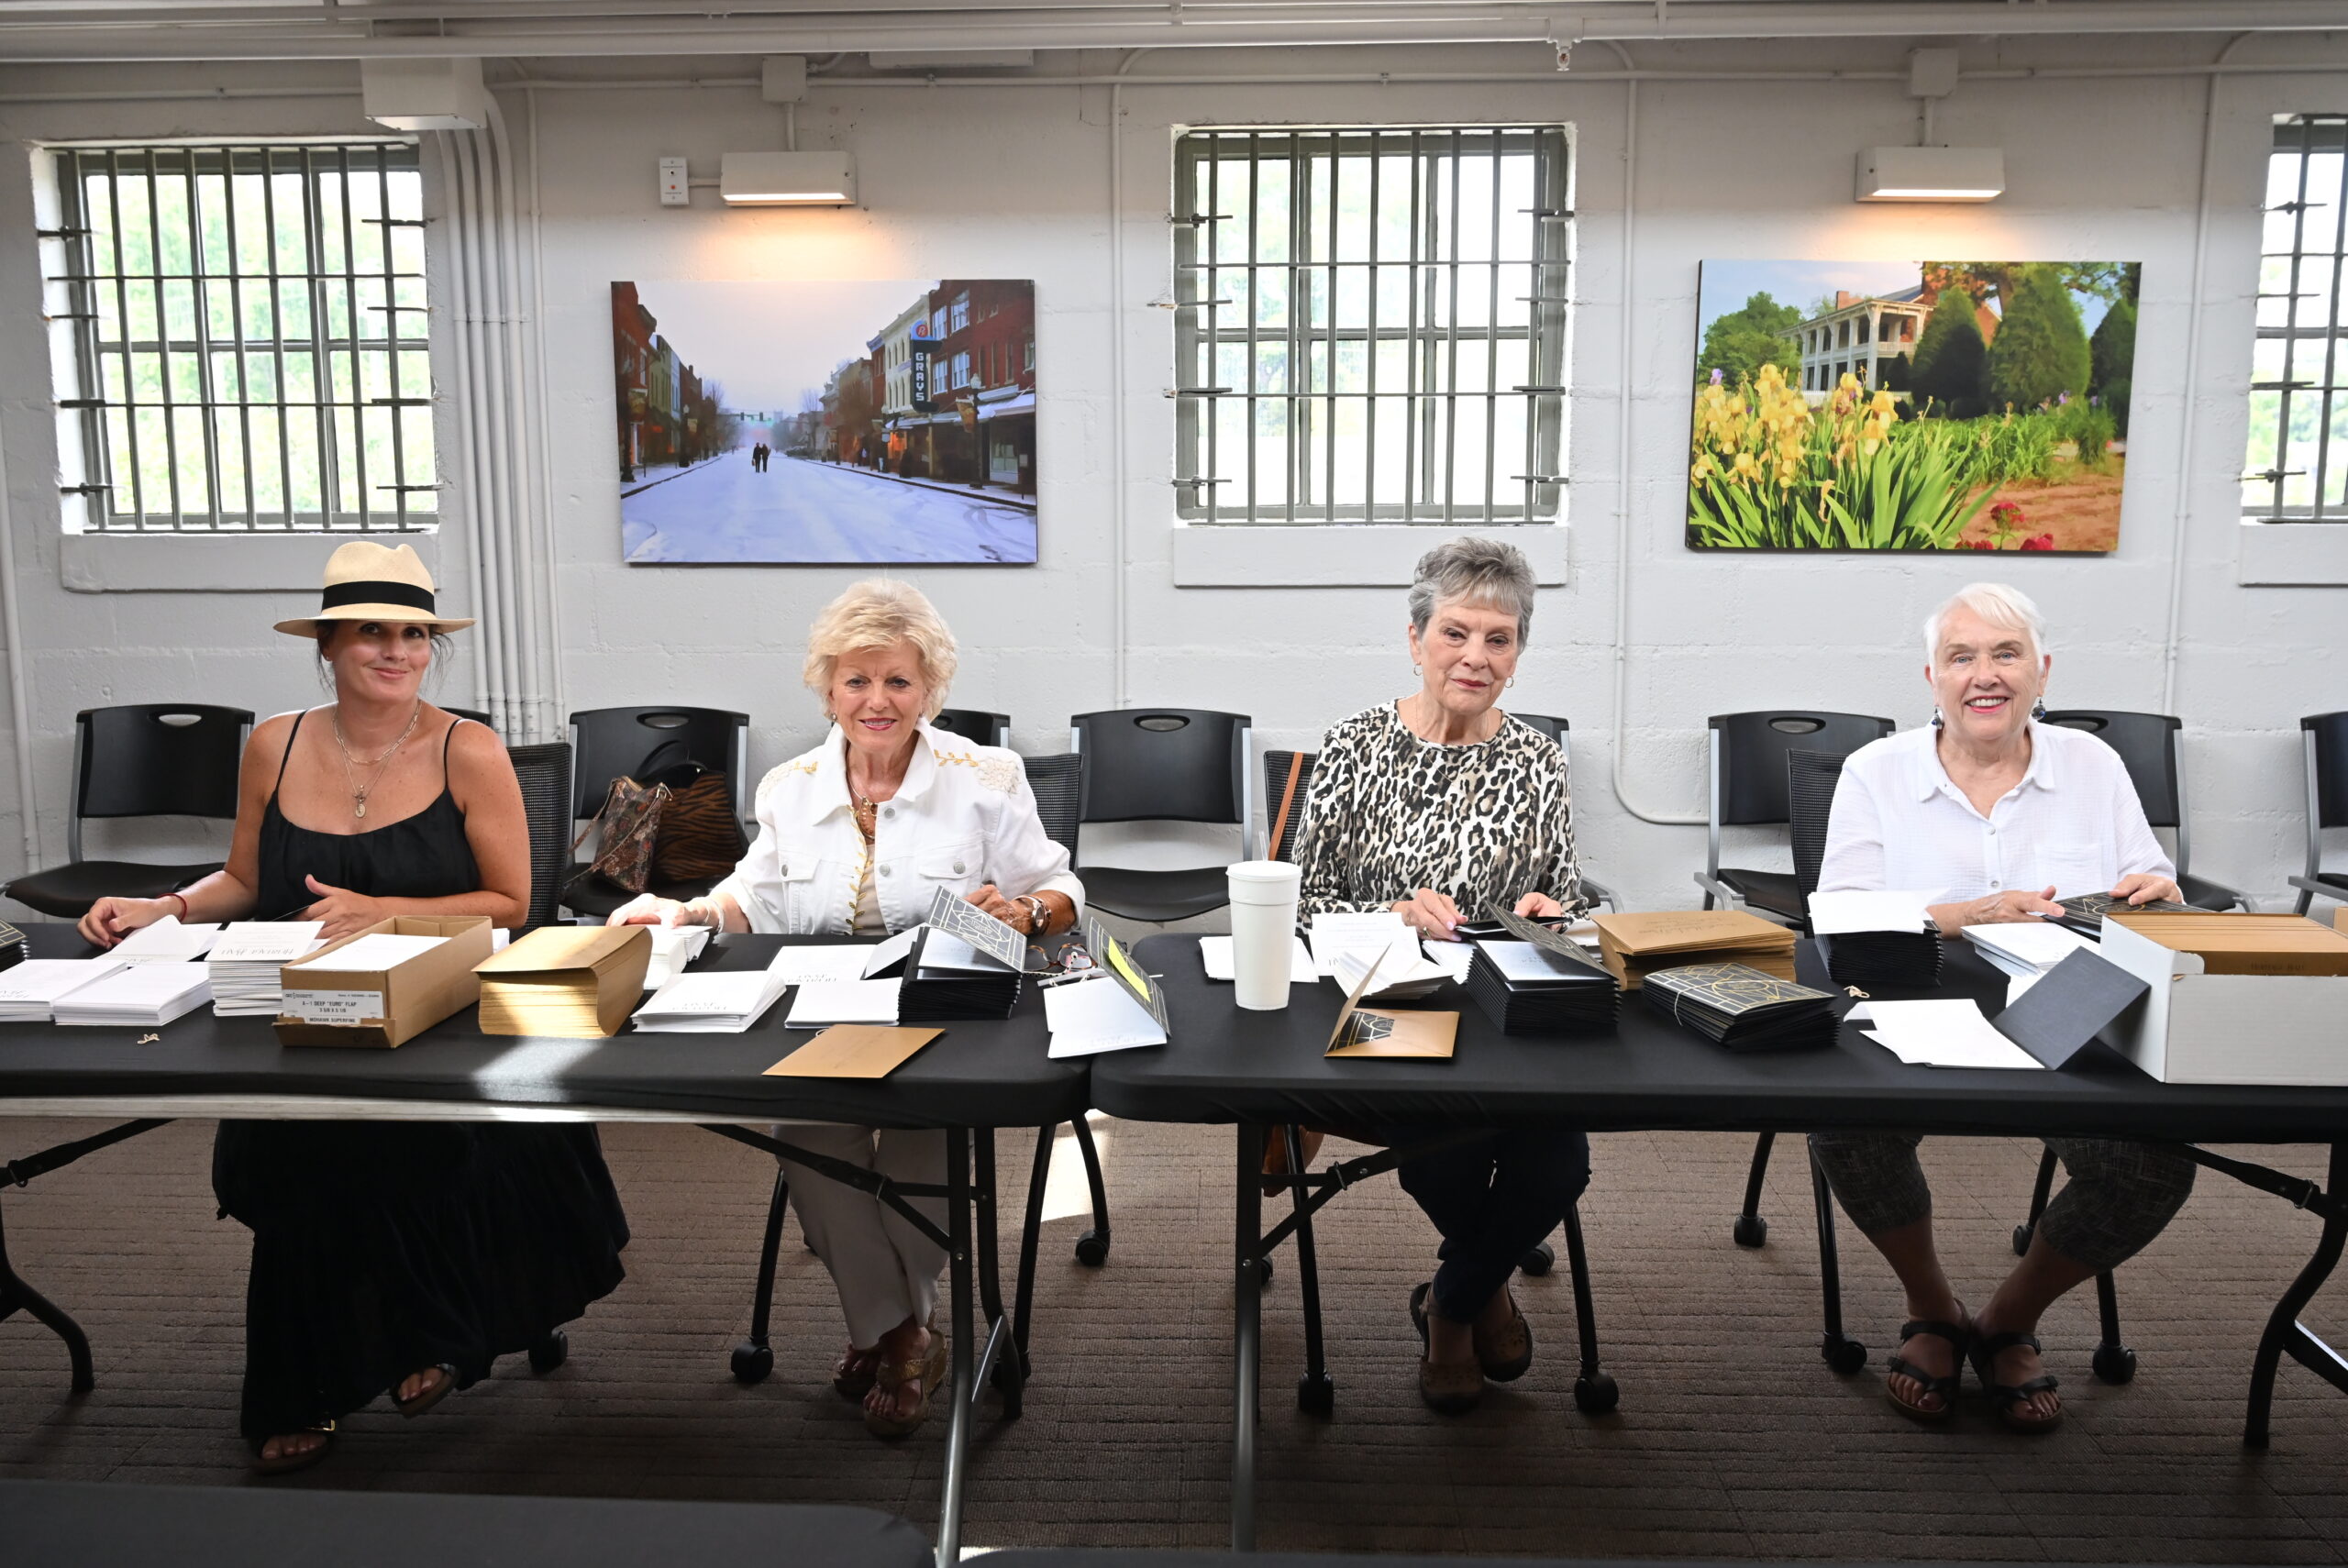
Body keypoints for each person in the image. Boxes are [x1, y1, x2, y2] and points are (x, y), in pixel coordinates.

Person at [78, 543, 630, 1474]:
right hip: (305, 1007)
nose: (397, 651)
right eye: (372, 632)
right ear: (328, 645)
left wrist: (386, 911)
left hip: (440, 1007)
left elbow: (510, 904)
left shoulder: (468, 748)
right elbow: (243, 879)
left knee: (400, 1140)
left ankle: (423, 1333)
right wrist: (164, 905)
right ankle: (367, 1356)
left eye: (414, 634)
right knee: (302, 1147)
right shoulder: (274, 743)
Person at [608, 578, 1081, 1438]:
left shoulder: (987, 776)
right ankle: (903, 1334)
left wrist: (1026, 912)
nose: (877, 701)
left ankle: (884, 1329)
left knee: (925, 1150)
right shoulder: (788, 788)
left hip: (949, 1021)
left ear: (929, 689)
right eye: (856, 681)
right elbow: (750, 898)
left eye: (898, 680)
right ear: (827, 689)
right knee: (809, 1140)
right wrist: (686, 914)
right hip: (821, 1022)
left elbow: (1060, 888)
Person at [1812, 581, 2195, 1432]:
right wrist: (1971, 912)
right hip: (1915, 1004)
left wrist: (2155, 890)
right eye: (1962, 657)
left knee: (2152, 1165)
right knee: (1844, 1124)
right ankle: (1933, 1310)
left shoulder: (2092, 764)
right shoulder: (1875, 769)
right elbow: (1840, 915)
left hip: (2072, 1017)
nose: (1984, 675)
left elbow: (2152, 881)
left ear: (2042, 670)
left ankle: (2006, 1321)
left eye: (2006, 654)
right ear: (1932, 678)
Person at [1291, 536, 1590, 1414]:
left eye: (1499, 639)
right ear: (1416, 639)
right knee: (1444, 1143)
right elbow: (1304, 904)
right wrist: (1391, 913)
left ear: (1518, 654)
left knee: (1558, 1162)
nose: (1475, 657)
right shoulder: (1353, 744)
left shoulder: (1537, 759)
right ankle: (1473, 1308)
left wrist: (1548, 914)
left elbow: (1570, 902)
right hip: (1380, 1008)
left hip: (1503, 1012)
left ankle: (1452, 1297)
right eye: (1455, 633)